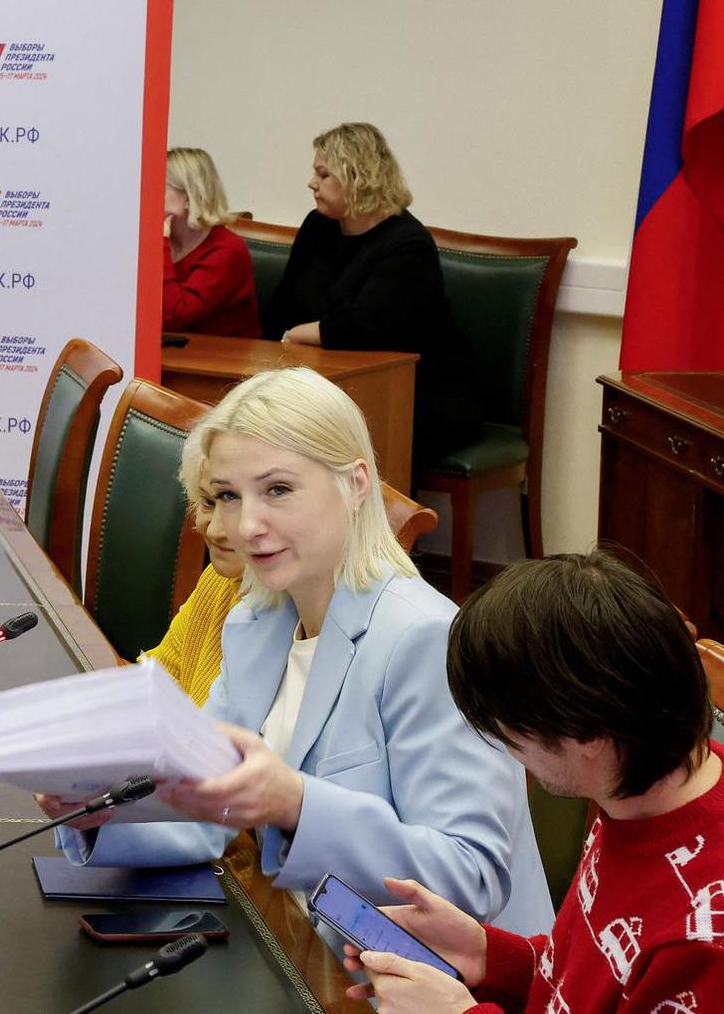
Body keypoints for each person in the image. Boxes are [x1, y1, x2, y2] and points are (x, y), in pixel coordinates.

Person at [37, 367, 552, 934]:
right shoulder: (258, 620)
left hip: (422, 981)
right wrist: (101, 811)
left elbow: (471, 877)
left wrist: (297, 805)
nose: (245, 524)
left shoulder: (424, 639)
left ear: (355, 484)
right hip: (309, 944)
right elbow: (215, 807)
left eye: (277, 490)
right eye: (227, 496)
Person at [341, 551, 724, 1011]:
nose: (507, 750)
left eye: (511, 732)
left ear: (588, 734)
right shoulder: (642, 787)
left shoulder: (700, 947)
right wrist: (488, 955)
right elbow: (590, 978)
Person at [263, 123, 479, 462]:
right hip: (326, 380)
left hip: (418, 392)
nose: (312, 183)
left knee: (322, 438)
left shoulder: (408, 243)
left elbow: (369, 325)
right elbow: (283, 304)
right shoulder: (317, 227)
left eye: (323, 174)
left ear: (357, 177)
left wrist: (302, 332)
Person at [137, 456, 245, 705]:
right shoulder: (219, 580)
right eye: (207, 502)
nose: (215, 530)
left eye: (236, 503)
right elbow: (158, 674)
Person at [161, 147, 260, 337]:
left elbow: (174, 316)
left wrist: (159, 244)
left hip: (221, 361)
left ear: (189, 197)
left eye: (160, 187)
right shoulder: (164, 241)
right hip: (174, 355)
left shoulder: (228, 250)